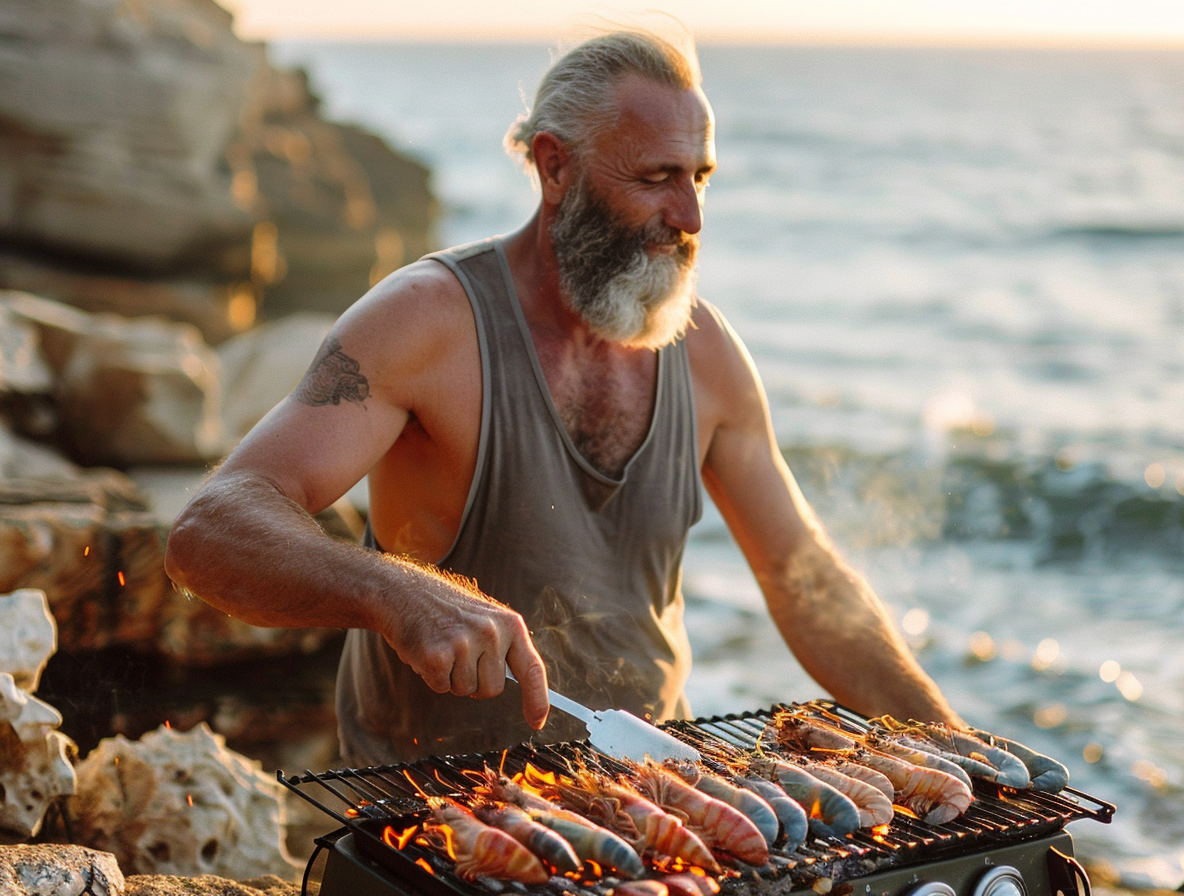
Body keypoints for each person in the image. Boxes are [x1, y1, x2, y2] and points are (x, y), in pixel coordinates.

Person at [165, 28, 963, 765]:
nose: (688, 216)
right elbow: (210, 531)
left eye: (699, 178)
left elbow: (806, 583)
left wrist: (961, 751)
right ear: (555, 167)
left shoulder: (707, 352)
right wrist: (394, 592)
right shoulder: (425, 323)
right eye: (655, 178)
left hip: (653, 803)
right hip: (441, 817)